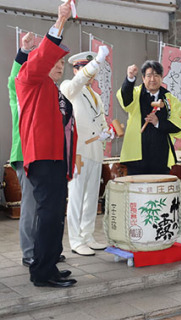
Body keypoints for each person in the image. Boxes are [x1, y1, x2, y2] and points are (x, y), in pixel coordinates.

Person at [15, 1, 77, 287]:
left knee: (55, 216)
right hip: (41, 157)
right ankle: (40, 272)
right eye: (56, 62)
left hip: (57, 158)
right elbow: (37, 60)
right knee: (48, 214)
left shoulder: (54, 91)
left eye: (62, 63)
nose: (59, 66)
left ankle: (50, 265)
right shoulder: (29, 79)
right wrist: (60, 21)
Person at [61, 48, 111, 256]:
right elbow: (77, 83)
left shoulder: (96, 95)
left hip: (95, 151)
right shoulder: (69, 87)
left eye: (92, 69)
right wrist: (96, 62)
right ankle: (75, 239)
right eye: (85, 69)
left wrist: (106, 132)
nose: (90, 74)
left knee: (91, 196)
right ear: (76, 70)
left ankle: (88, 234)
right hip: (79, 152)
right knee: (76, 196)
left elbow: (98, 119)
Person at [116, 61, 181, 175]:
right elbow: (125, 99)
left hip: (160, 158)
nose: (153, 79)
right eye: (149, 75)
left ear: (162, 78)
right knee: (137, 191)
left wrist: (158, 123)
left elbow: (179, 124)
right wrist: (130, 78)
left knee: (158, 191)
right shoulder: (136, 94)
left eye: (156, 75)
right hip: (136, 160)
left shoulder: (170, 100)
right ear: (143, 78)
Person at [8, 32, 39, 268]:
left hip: (43, 156)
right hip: (24, 155)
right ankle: (29, 252)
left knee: (43, 205)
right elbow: (13, 80)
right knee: (30, 207)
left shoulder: (40, 93)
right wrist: (23, 53)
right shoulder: (18, 94)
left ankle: (43, 248)